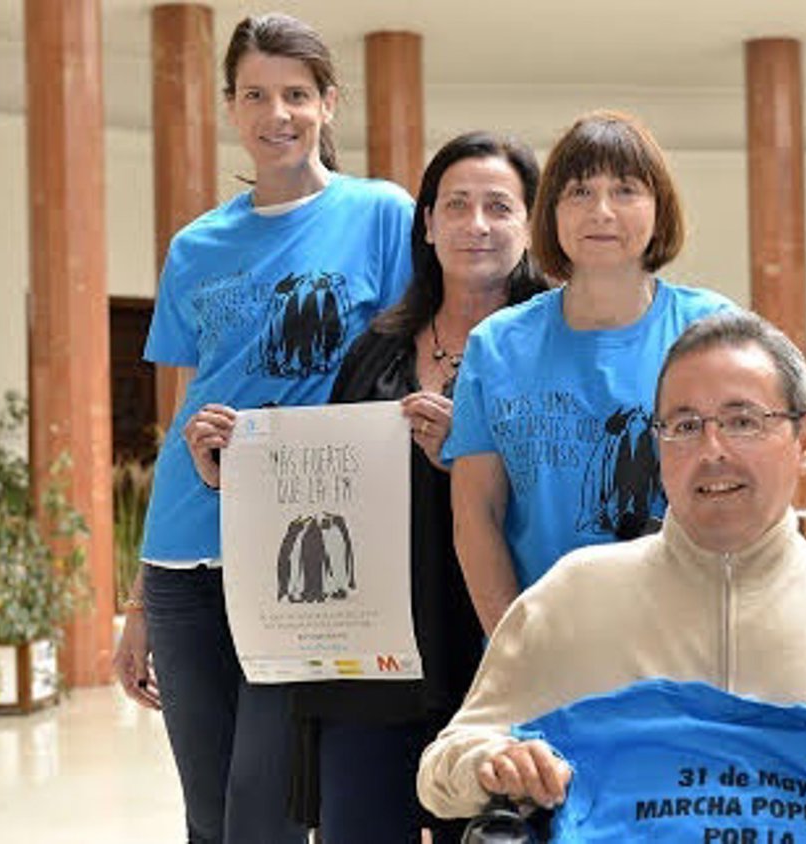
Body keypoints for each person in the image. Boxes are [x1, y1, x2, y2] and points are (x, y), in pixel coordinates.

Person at [417, 310, 806, 843]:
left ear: (805, 441)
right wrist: (491, 763)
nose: (712, 450)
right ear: (657, 443)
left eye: (743, 420)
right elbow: (445, 762)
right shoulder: (571, 596)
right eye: (685, 425)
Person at [111, 13, 413, 843]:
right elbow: (188, 409)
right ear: (230, 108)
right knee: (209, 816)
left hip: (304, 554)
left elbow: (407, 362)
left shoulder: (381, 215)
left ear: (328, 103)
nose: (276, 114)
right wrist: (139, 600)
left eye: (295, 94)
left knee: (264, 808)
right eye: (254, 95)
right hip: (186, 553)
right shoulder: (196, 246)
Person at [293, 131, 547, 842]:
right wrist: (240, 467)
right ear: (428, 224)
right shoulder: (376, 346)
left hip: (498, 644)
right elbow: (327, 483)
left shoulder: (554, 342)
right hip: (374, 660)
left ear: (531, 226)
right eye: (456, 205)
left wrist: (467, 459)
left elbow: (572, 489)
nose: (476, 224)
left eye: (499, 206)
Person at [443, 110, 734, 635]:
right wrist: (517, 648)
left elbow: (747, 495)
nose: (601, 211)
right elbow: (476, 517)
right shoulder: (496, 346)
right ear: (550, 212)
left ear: (659, 208)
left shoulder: (713, 331)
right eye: (579, 191)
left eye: (625, 190)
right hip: (545, 642)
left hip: (689, 641)